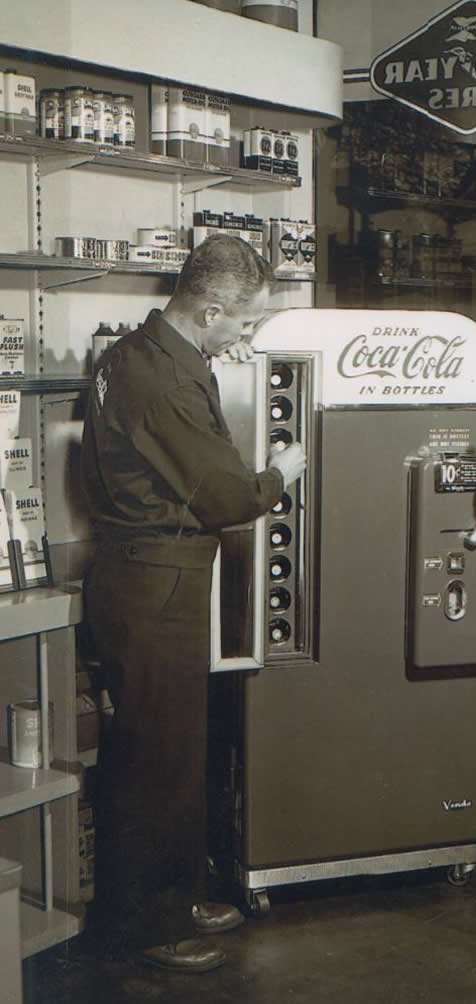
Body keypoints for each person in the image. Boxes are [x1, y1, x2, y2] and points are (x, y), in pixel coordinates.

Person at [80, 234, 306, 973]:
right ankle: (152, 926)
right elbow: (227, 497)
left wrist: (215, 358)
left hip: (137, 575)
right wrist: (279, 473)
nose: (246, 336)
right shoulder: (170, 382)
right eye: (243, 323)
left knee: (167, 749)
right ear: (210, 310)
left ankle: (175, 896)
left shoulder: (134, 353)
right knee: (159, 759)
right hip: (159, 585)